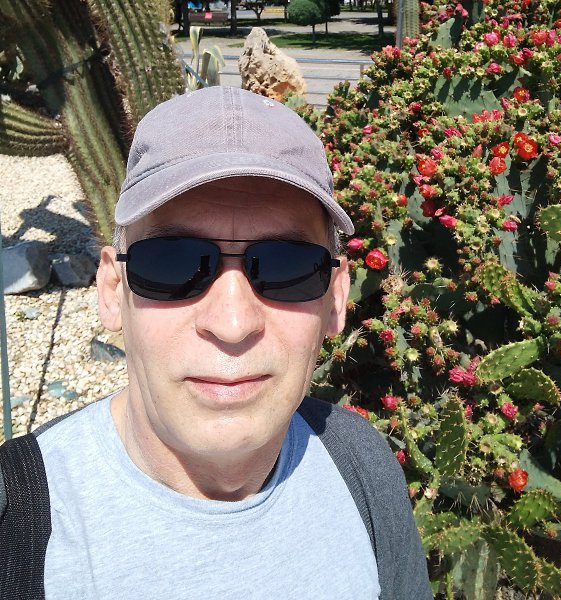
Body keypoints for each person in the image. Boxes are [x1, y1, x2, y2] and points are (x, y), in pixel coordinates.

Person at [0, 87, 431, 599]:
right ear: (113, 291)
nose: (232, 323)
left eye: (287, 266)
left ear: (336, 298)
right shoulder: (16, 524)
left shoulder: (361, 465)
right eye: (173, 263)